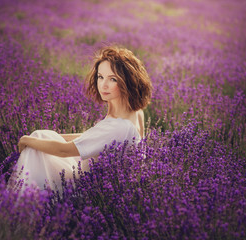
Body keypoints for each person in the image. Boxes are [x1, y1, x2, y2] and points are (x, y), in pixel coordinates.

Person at [8, 46, 152, 193]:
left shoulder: (117, 127)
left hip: (89, 190)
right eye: (100, 77)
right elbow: (94, 137)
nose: (103, 85)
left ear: (127, 82)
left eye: (113, 79)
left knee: (36, 142)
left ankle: (27, 202)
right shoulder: (135, 111)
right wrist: (54, 136)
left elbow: (64, 151)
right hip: (104, 181)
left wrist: (26, 140)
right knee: (43, 135)